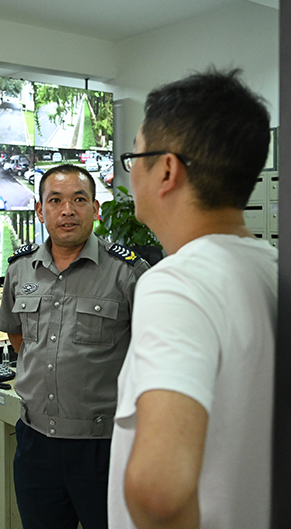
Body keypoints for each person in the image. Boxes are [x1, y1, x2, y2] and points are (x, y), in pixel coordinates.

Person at [108, 69, 277, 529]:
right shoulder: (271, 269)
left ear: (166, 170)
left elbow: (158, 493)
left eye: (134, 156)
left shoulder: (178, 283)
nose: (129, 173)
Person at [0, 164, 149, 529]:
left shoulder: (127, 272)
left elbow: (152, 353)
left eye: (79, 200)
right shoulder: (20, 269)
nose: (67, 210)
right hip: (35, 444)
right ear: (40, 210)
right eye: (56, 201)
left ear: (95, 209)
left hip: (102, 446)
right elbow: (18, 337)